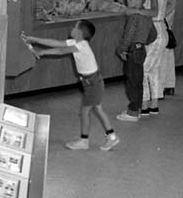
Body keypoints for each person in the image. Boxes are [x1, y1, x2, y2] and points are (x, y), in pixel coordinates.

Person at [21, 21, 120, 151]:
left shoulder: (81, 46)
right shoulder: (77, 43)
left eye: (74, 27)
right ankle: (110, 137)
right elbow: (55, 43)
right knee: (97, 109)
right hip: (90, 82)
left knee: (86, 111)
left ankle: (89, 140)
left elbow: (61, 51)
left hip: (93, 83)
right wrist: (33, 39)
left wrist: (42, 52)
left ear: (78, 33)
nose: (72, 28)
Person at [114, 0, 155, 122]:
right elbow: (153, 34)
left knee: (131, 82)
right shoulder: (147, 16)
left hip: (132, 50)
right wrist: (142, 43)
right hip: (141, 49)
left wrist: (121, 49)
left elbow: (128, 36)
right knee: (138, 81)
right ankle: (135, 108)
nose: (127, 0)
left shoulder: (134, 17)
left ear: (138, 1)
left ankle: (133, 112)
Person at [140, 0, 172, 109]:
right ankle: (153, 103)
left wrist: (137, 11)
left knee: (144, 69)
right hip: (161, 29)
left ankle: (144, 103)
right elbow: (171, 4)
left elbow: (153, 11)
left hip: (154, 31)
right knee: (153, 68)